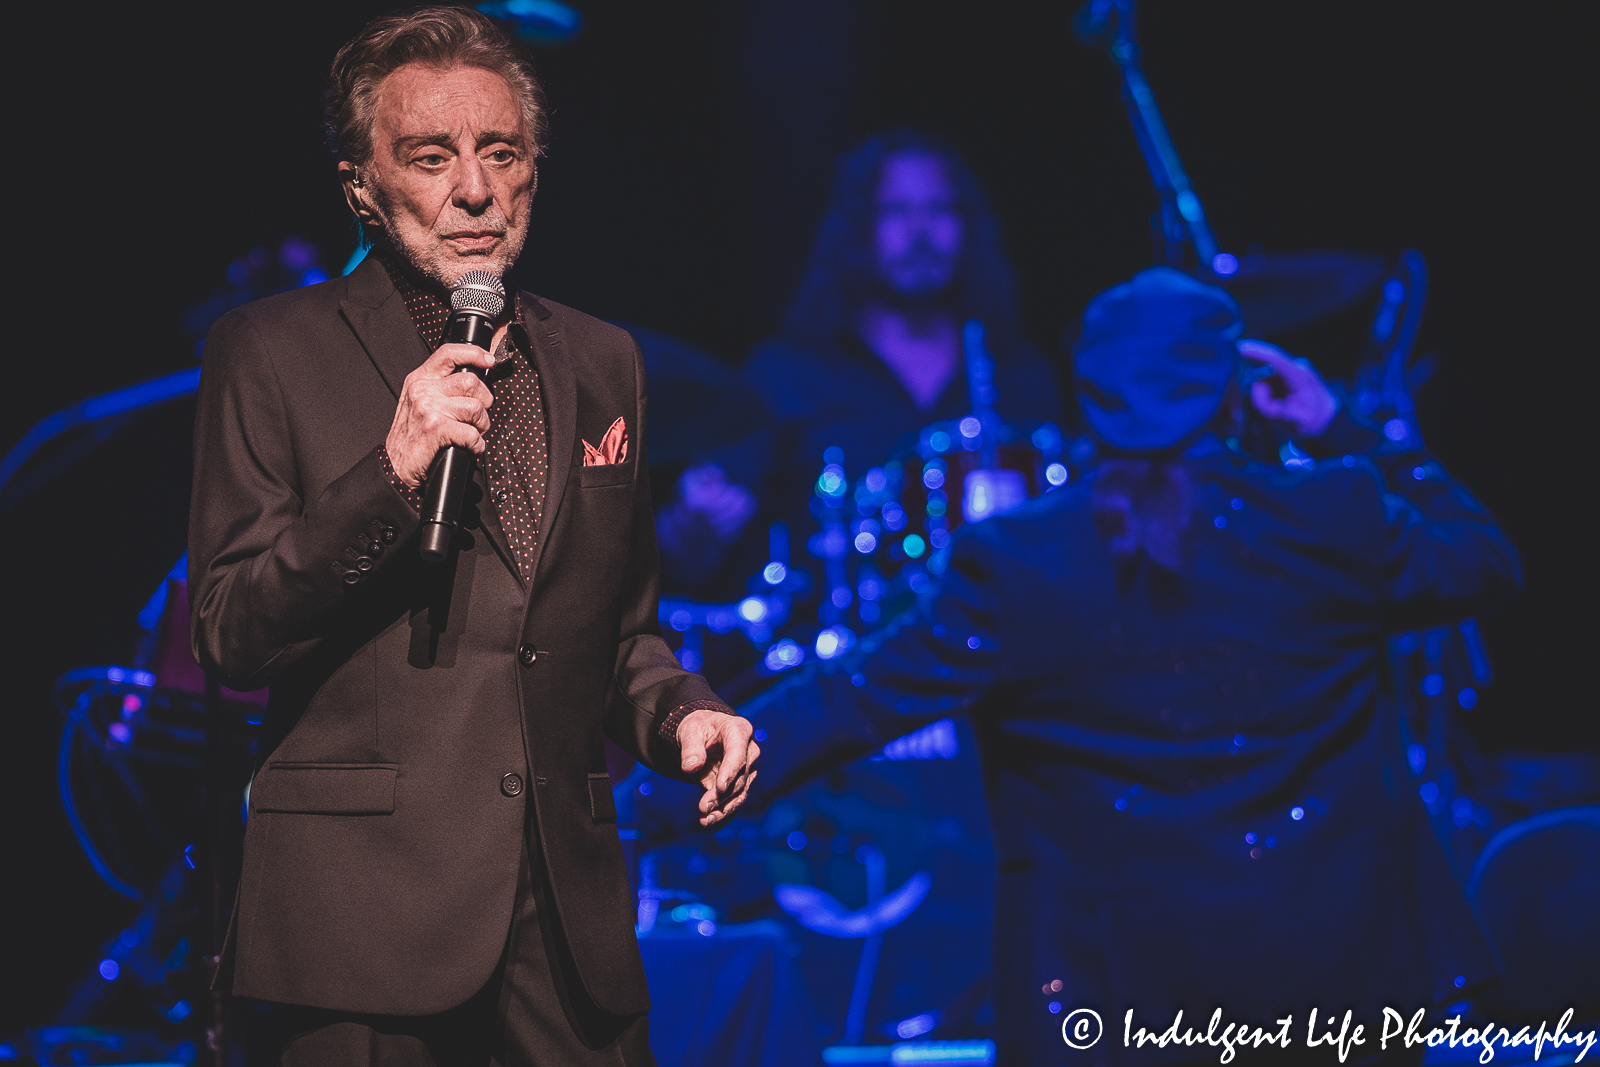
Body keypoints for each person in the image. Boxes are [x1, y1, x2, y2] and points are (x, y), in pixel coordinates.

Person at [741, 267, 1521, 1065]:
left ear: (1089, 394)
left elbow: (848, 699)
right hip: (1335, 986)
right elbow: (1483, 561)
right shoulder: (1334, 514)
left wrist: (659, 784)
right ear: (1237, 391)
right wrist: (1339, 427)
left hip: (1109, 1006)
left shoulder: (1018, 562)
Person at [187, 8, 758, 1064]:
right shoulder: (269, 351)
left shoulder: (602, 362)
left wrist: (682, 711)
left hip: (565, 924)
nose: (475, 189)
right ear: (361, 182)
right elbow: (230, 630)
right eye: (431, 155)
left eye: (501, 152)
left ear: (535, 167)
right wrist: (389, 475)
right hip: (360, 923)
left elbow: (619, 631)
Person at [654, 129, 1064, 598]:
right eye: (894, 210)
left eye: (940, 209)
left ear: (970, 227)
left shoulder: (1024, 378)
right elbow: (683, 569)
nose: (920, 230)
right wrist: (693, 526)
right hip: (830, 661)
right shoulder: (787, 375)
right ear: (856, 230)